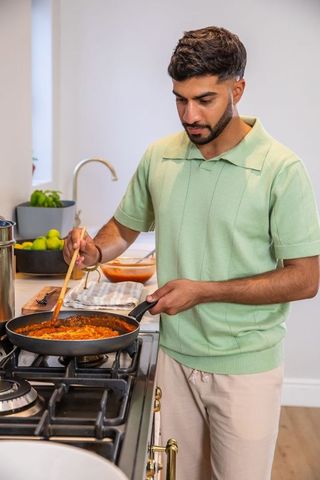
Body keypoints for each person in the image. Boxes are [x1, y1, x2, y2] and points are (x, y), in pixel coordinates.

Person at [64, 26, 320, 480]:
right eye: (180, 99)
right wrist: (93, 251)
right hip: (174, 359)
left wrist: (203, 291)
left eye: (205, 99)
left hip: (246, 370)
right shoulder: (160, 156)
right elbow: (125, 226)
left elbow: (305, 277)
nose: (190, 114)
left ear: (237, 89)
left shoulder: (282, 170)